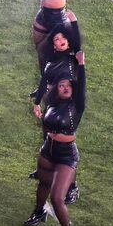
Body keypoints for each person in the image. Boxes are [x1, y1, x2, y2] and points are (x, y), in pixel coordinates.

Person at [24, 51, 86, 226]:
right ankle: (39, 212)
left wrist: (81, 65)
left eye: (69, 85)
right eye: (62, 85)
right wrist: (37, 106)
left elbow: (81, 84)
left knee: (58, 198)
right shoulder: (52, 103)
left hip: (67, 155)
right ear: (56, 89)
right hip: (48, 150)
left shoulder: (77, 105)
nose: (66, 87)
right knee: (43, 183)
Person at [29, 12, 81, 204]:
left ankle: (73, 186)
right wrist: (37, 103)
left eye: (63, 38)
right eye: (57, 39)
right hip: (52, 103)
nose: (61, 41)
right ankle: (46, 169)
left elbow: (77, 41)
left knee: (66, 146)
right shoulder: (51, 64)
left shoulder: (73, 58)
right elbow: (43, 82)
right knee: (48, 136)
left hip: (69, 108)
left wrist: (74, 22)